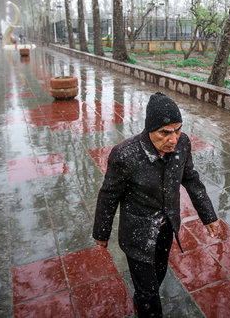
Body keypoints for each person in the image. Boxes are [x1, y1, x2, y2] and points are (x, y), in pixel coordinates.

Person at [92, 92, 220, 318]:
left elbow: (191, 179)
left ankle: (142, 297)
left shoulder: (183, 144)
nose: (174, 139)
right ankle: (146, 303)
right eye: (165, 132)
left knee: (158, 274)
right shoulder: (125, 155)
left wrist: (208, 215)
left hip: (167, 228)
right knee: (149, 294)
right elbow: (108, 195)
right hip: (137, 235)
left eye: (178, 130)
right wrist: (102, 232)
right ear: (149, 130)